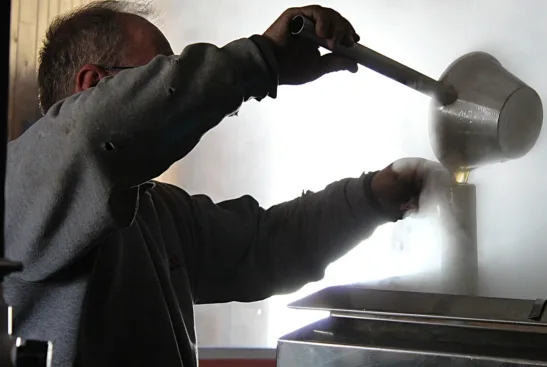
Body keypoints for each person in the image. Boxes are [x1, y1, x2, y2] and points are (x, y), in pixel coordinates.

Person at [5, 1, 444, 366]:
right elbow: (90, 134)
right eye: (162, 75)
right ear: (93, 86)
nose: (180, 87)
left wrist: (371, 198)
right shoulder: (20, 182)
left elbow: (264, 244)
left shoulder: (157, 211)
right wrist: (261, 59)